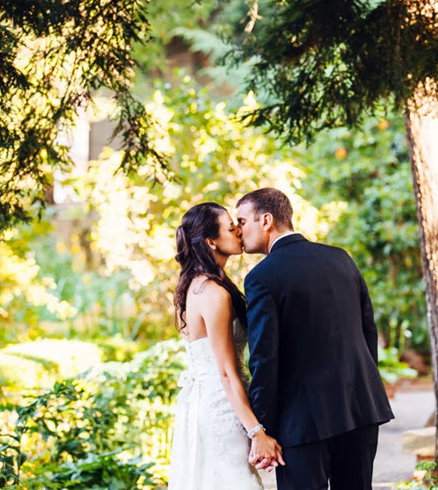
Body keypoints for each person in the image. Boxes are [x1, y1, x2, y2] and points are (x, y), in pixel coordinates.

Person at [236, 188, 395, 490]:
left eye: (243, 221)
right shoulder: (340, 258)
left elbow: (263, 359)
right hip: (360, 407)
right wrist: (364, 385)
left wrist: (262, 429)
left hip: (303, 422)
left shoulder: (262, 277)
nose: (239, 230)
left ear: (266, 220)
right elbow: (368, 330)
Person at [168, 202, 283, 490]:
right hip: (222, 407)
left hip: (210, 402)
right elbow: (227, 372)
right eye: (232, 228)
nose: (240, 233)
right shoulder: (213, 294)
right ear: (211, 241)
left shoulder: (198, 285)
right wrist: (256, 432)